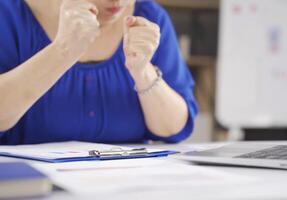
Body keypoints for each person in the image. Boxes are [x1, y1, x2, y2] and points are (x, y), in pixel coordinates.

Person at [0, 0, 198, 144]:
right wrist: (63, 50)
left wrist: (143, 71)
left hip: (129, 184)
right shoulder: (9, 14)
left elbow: (174, 127)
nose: (117, 1)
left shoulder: (150, 16)